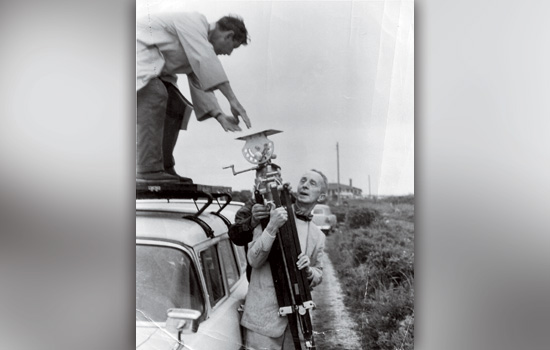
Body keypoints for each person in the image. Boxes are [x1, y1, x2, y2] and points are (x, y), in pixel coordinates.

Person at [136, 12, 252, 183]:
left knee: (177, 104)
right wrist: (233, 101)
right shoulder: (195, 22)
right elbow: (205, 58)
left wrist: (220, 116)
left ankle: (164, 166)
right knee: (155, 94)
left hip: (152, 67)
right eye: (232, 48)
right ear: (229, 35)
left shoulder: (198, 48)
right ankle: (148, 168)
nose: (228, 54)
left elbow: (201, 83)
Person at [240, 169, 328, 350]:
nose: (305, 185)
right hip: (262, 324)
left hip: (298, 325)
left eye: (312, 183)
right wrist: (271, 227)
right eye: (303, 180)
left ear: (321, 196)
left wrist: (310, 271)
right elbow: (253, 260)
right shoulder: (271, 215)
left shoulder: (318, 236)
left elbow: (319, 273)